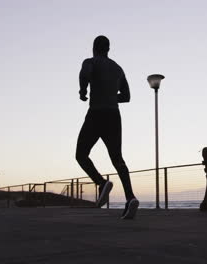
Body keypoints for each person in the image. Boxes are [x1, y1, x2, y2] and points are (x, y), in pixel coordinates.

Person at [76, 35, 139, 219]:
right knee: (117, 158)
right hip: (114, 116)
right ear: (108, 49)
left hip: (96, 114)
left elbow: (85, 73)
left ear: (95, 48)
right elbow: (126, 96)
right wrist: (111, 95)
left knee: (81, 154)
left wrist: (83, 91)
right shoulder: (118, 68)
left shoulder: (90, 61)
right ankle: (130, 197)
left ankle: (101, 183)